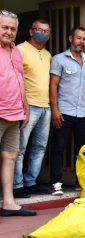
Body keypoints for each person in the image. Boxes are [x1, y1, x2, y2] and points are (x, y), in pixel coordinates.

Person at [49, 26, 85, 195]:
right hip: (63, 112)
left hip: (83, 114)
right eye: (78, 38)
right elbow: (53, 85)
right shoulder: (59, 59)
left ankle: (82, 182)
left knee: (83, 151)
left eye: (84, 39)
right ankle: (56, 183)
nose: (81, 42)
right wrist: (55, 111)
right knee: (58, 147)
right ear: (71, 39)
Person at [0, 9, 36, 216]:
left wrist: (26, 107)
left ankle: (8, 203)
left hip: (16, 113)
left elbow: (20, 80)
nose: (9, 32)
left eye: (12, 29)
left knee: (10, 156)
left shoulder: (15, 51)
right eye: (4, 27)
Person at [12, 19, 52, 198]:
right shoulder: (19, 50)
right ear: (30, 31)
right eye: (39, 30)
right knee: (20, 148)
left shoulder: (48, 54)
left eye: (46, 31)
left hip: (46, 107)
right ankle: (17, 185)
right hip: (28, 107)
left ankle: (31, 182)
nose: (42, 33)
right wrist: (22, 106)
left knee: (39, 147)